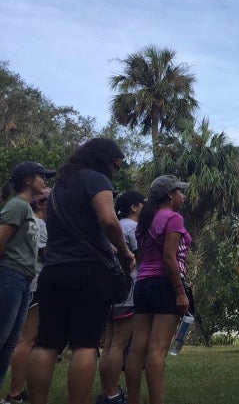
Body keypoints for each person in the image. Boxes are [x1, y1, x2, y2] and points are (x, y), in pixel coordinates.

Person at [27, 139, 135, 404]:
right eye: (115, 166)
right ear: (104, 160)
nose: (115, 171)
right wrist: (124, 251)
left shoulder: (59, 189)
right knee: (85, 344)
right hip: (89, 272)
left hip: (53, 271)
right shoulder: (97, 180)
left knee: (46, 342)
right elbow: (108, 220)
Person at [125, 176, 192, 404]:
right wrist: (180, 292)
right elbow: (169, 257)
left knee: (137, 349)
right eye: (180, 192)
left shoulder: (145, 220)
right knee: (157, 350)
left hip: (143, 284)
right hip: (164, 283)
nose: (183, 196)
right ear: (170, 195)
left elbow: (143, 256)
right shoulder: (172, 218)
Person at [0, 162, 54, 398]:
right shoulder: (17, 206)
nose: (45, 181)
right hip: (9, 276)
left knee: (10, 342)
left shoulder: (27, 211)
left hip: (24, 280)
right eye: (42, 177)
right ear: (28, 180)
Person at [96, 191, 146, 404]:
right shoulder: (133, 228)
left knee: (109, 343)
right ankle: (114, 395)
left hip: (111, 289)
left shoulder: (115, 227)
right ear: (134, 207)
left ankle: (108, 390)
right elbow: (141, 255)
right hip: (128, 291)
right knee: (119, 344)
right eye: (143, 204)